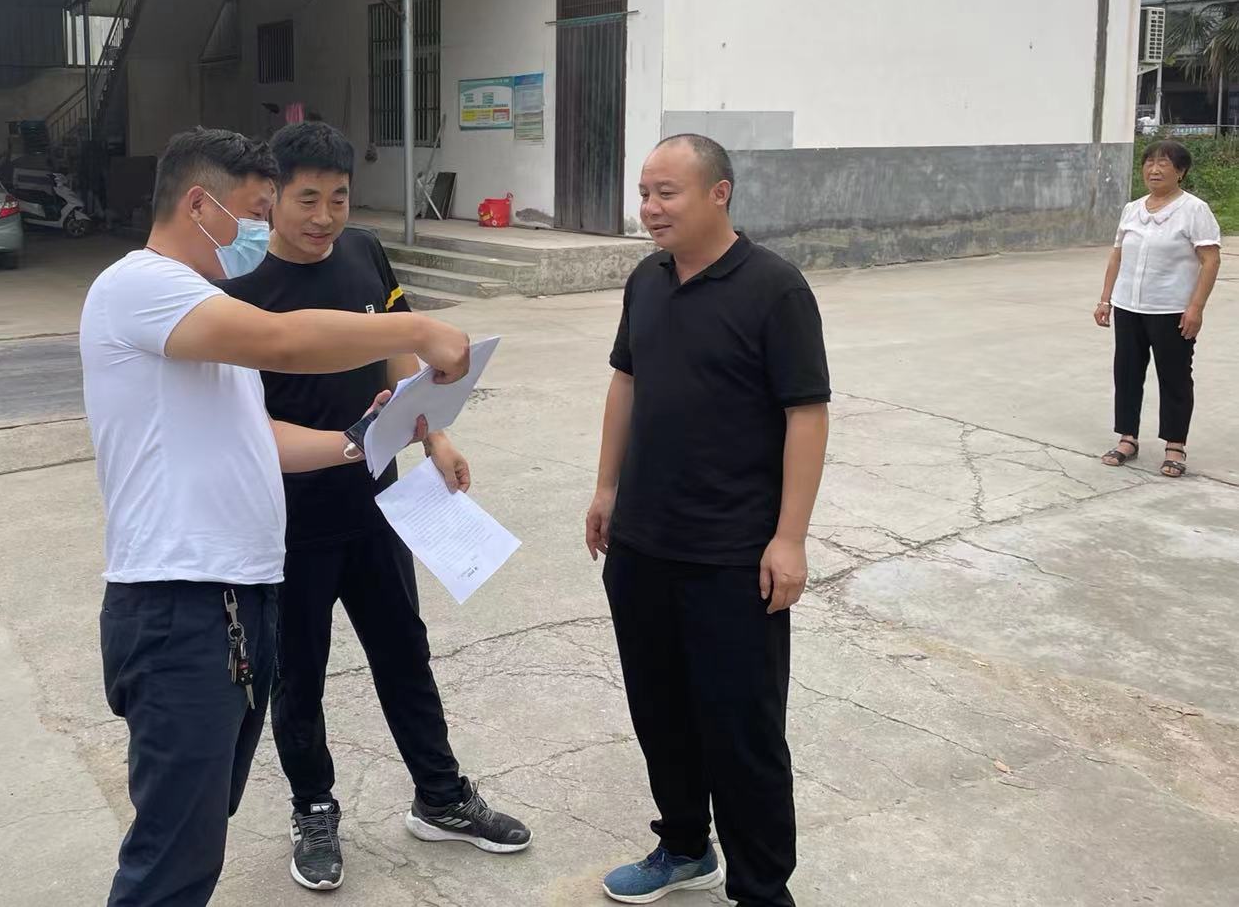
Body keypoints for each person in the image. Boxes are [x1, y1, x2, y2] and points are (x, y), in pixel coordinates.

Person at [80, 127, 472, 907]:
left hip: (233, 600)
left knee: (196, 838)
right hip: (178, 606)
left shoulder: (199, 312)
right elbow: (286, 340)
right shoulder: (140, 286)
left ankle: (442, 794)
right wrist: (416, 329)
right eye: (256, 214)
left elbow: (257, 437)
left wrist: (360, 440)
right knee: (171, 861)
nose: (262, 233)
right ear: (200, 206)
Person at [223, 122, 531, 893]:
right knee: (299, 673)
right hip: (289, 523)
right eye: (307, 199)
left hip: (377, 509)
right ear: (272, 201)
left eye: (338, 198)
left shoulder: (363, 252)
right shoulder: (242, 294)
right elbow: (245, 426)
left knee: (404, 651)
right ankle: (313, 807)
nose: (324, 216)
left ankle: (441, 797)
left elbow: (398, 356)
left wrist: (437, 438)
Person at [585, 135, 830, 907]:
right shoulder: (646, 280)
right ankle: (686, 846)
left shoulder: (774, 289)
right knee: (659, 711)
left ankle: (762, 890)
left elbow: (806, 414)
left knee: (743, 732)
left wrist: (789, 538)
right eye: (644, 193)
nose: (650, 208)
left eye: (667, 193)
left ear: (719, 193)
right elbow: (625, 382)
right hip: (642, 543)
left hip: (732, 553)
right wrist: (606, 489)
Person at [1094, 139, 1221, 478]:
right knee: (1127, 373)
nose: (1154, 169)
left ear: (1181, 171)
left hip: (1171, 310)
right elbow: (1117, 255)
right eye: (1149, 162)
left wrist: (1196, 308)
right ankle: (1127, 438)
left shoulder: (1194, 210)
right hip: (1129, 307)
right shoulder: (1132, 209)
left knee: (1175, 377)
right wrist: (1106, 299)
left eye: (1164, 163)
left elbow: (1210, 261)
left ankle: (1175, 446)